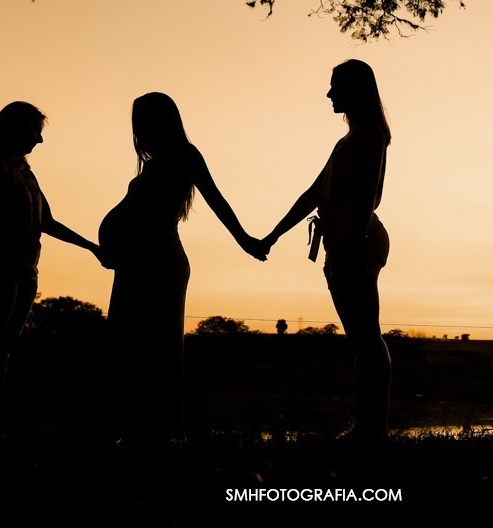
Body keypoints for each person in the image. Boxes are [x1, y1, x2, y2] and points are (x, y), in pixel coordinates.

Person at [99, 92, 265, 443]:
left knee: (156, 346)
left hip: (158, 262)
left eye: (146, 118)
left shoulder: (184, 155)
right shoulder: (155, 162)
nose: (140, 126)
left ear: (164, 118)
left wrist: (245, 240)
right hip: (136, 263)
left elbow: (216, 199)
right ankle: (134, 426)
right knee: (128, 345)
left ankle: (160, 430)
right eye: (137, 119)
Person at [0, 101, 103, 441]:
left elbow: (46, 222)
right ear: (15, 129)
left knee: (1, 352)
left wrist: (91, 247)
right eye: (35, 132)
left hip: (25, 273)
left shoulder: (26, 172)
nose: (39, 140)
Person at [261, 60, 392, 443]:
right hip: (344, 241)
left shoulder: (370, 133)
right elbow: (313, 194)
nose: (329, 94)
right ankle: (369, 426)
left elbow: (368, 193)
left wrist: (350, 241)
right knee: (361, 337)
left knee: (367, 336)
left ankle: (373, 429)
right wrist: (272, 235)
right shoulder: (348, 140)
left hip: (357, 241)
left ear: (355, 89)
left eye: (335, 86)